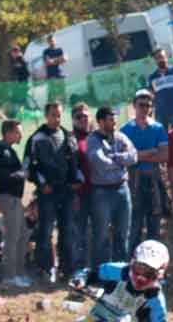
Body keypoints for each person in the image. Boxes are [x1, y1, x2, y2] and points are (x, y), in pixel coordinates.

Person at [26, 101, 81, 280]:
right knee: (45, 231)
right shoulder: (36, 138)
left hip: (67, 192)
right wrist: (42, 184)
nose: (56, 119)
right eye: (53, 115)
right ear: (46, 116)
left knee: (68, 230)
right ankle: (44, 269)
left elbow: (77, 163)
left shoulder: (69, 136)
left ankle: (67, 269)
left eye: (59, 115)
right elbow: (29, 167)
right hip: (47, 193)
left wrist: (77, 180)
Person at [69, 239, 169, 322]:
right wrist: (80, 280)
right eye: (139, 269)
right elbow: (89, 273)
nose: (141, 277)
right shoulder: (117, 271)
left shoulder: (156, 301)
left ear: (159, 275)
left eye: (149, 273)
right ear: (132, 262)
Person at [88, 106, 138, 266]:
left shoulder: (121, 137)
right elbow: (100, 163)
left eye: (115, 120)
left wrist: (115, 157)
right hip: (102, 192)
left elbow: (134, 157)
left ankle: (120, 270)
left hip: (122, 189)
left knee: (122, 233)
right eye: (111, 120)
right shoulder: (93, 140)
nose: (115, 123)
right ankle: (100, 271)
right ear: (101, 121)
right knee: (101, 235)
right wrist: (122, 161)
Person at [121, 90, 169, 250]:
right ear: (134, 106)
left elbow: (164, 156)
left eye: (148, 105)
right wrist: (150, 152)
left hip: (154, 179)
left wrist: (137, 155)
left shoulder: (158, 127)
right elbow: (123, 158)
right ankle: (132, 261)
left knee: (154, 223)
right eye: (141, 105)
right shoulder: (125, 130)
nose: (145, 108)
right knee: (134, 225)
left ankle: (153, 260)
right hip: (133, 181)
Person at [0, 119, 31, 287]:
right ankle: (10, 275)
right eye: (18, 132)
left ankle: (19, 271)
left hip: (13, 198)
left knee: (22, 233)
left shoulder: (6, 150)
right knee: (12, 236)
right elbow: (2, 177)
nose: (20, 135)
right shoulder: (2, 151)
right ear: (8, 133)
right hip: (8, 197)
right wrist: (22, 174)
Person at [70, 103, 95, 273]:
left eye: (85, 116)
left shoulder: (95, 137)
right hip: (79, 194)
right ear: (73, 120)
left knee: (98, 232)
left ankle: (95, 267)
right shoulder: (71, 139)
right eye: (79, 117)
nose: (83, 120)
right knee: (80, 233)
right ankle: (79, 269)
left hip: (98, 193)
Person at [145, 48, 173, 129]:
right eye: (158, 58)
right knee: (162, 136)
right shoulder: (152, 77)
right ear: (155, 60)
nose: (161, 59)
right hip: (160, 114)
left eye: (162, 56)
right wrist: (149, 113)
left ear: (166, 57)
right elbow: (150, 96)